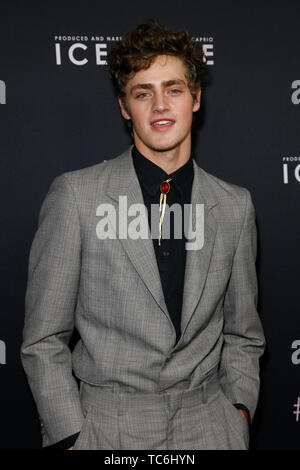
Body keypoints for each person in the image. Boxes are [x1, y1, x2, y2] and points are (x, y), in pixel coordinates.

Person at [20, 19, 265, 450]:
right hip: (107, 429)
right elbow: (43, 339)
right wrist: (72, 437)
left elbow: (244, 333)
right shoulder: (76, 196)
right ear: (123, 106)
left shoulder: (235, 206)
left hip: (210, 427)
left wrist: (237, 414)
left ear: (196, 98)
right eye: (142, 93)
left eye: (173, 89)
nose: (160, 106)